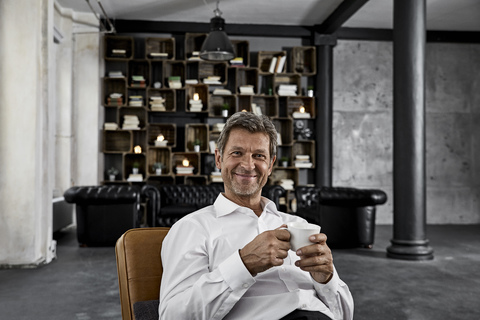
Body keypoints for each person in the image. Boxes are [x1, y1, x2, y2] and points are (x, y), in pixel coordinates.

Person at [159, 112, 353, 320]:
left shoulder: (298, 224)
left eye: (259, 156)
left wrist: (326, 278)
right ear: (218, 159)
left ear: (270, 165)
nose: (248, 165)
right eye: (237, 153)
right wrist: (243, 264)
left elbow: (344, 314)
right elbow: (173, 315)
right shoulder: (192, 228)